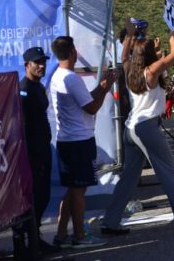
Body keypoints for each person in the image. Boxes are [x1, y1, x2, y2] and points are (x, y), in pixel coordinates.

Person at [101, 22, 174, 235]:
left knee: (129, 177)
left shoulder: (130, 68)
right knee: (168, 172)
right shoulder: (151, 71)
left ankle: (110, 222)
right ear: (150, 55)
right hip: (147, 127)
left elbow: (123, 57)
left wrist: (130, 36)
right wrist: (173, 36)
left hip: (130, 128)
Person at [50, 36, 117, 249]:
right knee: (79, 191)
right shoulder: (71, 78)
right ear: (72, 53)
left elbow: (86, 99)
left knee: (72, 189)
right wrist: (106, 87)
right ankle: (79, 236)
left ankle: (61, 234)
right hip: (79, 142)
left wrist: (104, 84)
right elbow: (91, 108)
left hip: (68, 141)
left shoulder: (58, 76)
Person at [13, 47, 59, 255]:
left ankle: (35, 237)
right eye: (36, 62)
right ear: (26, 65)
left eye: (43, 62)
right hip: (32, 151)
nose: (41, 66)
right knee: (34, 196)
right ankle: (26, 241)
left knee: (43, 195)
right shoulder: (24, 89)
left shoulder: (39, 87)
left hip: (43, 148)